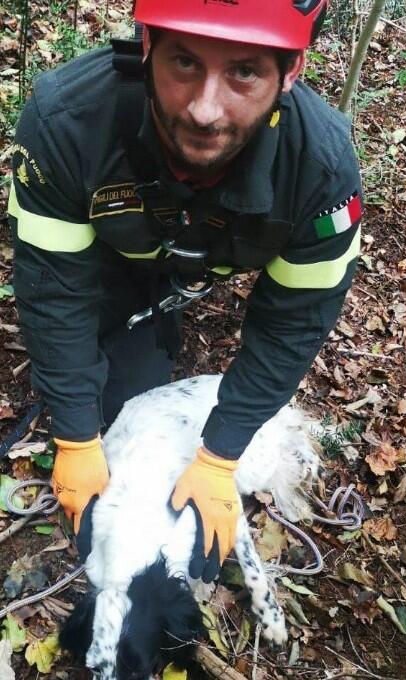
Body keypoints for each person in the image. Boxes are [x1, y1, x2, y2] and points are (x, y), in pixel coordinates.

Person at [7, 0, 361, 580]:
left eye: (244, 71)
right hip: (107, 257)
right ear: (146, 46)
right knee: (104, 411)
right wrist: (74, 436)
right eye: (184, 63)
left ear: (290, 71)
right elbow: (53, 290)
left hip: (198, 256)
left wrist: (222, 454)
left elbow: (293, 322)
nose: (204, 109)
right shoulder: (68, 123)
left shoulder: (319, 173)